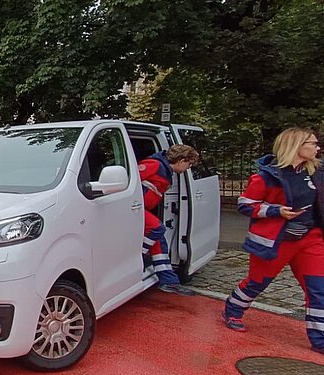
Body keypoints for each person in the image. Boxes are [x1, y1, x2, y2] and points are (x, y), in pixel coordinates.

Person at [223, 127, 324, 355]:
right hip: (277, 241)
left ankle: (320, 340)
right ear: (296, 146)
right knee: (257, 283)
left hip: (311, 240)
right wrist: (277, 211)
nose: (317, 148)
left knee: (319, 289)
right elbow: (245, 204)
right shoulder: (266, 176)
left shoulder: (316, 172)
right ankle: (232, 310)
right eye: (313, 143)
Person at [139, 144, 200, 296]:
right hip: (133, 208)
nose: (188, 168)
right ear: (181, 160)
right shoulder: (154, 165)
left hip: (141, 208)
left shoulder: (165, 168)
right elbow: (130, 181)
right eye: (189, 164)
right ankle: (137, 258)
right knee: (157, 228)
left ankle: (169, 281)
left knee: (160, 242)